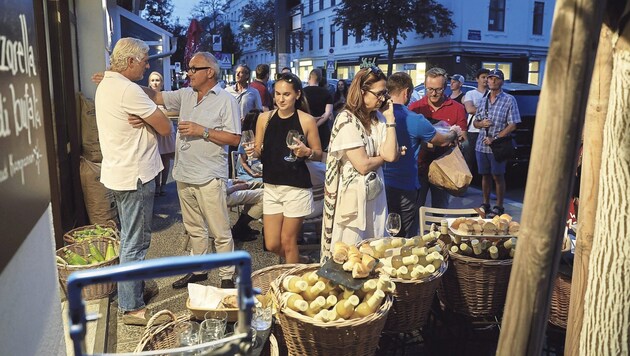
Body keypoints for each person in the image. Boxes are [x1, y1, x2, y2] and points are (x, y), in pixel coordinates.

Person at [143, 52, 242, 289]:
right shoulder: (186, 95)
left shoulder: (226, 100)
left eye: (193, 68)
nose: (189, 72)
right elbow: (156, 96)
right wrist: (121, 82)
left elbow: (235, 138)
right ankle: (199, 270)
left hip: (209, 175)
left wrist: (202, 130)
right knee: (194, 228)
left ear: (209, 71)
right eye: (189, 68)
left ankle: (227, 276)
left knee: (220, 230)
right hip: (184, 173)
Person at [94, 37, 172, 326]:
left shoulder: (107, 84)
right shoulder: (127, 89)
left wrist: (146, 117)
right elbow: (165, 128)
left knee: (129, 238)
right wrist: (152, 119)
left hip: (118, 172)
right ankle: (131, 306)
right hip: (135, 173)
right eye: (144, 60)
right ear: (129, 62)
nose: (147, 65)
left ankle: (133, 289)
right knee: (135, 243)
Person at [320, 66, 399, 261]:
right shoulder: (346, 119)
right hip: (353, 202)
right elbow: (363, 165)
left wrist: (390, 119)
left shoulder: (379, 118)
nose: (383, 99)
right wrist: (381, 157)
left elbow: (390, 154)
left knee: (375, 253)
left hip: (375, 196)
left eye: (385, 93)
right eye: (379, 93)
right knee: (350, 255)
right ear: (362, 92)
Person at [245, 72, 322, 263]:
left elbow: (319, 153)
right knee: (271, 244)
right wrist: (251, 152)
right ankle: (299, 263)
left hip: (296, 188)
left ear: (297, 94)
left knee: (288, 241)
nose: (280, 98)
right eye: (277, 93)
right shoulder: (264, 118)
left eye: (286, 94)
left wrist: (307, 152)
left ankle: (291, 285)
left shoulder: (306, 120)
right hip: (271, 187)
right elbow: (258, 151)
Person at [383, 72, 461, 237]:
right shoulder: (415, 118)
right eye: (429, 89)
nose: (433, 93)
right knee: (405, 235)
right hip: (405, 185)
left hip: (381, 183)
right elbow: (441, 139)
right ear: (407, 92)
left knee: (385, 231)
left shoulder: (377, 116)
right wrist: (453, 133)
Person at [409, 67, 467, 209]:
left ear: (446, 86)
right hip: (419, 167)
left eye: (438, 89)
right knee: (415, 210)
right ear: (424, 86)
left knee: (439, 212)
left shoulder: (457, 108)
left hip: (444, 168)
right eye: (430, 89)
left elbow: (463, 137)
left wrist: (455, 139)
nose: (434, 93)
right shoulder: (415, 108)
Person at [473, 69, 521, 218]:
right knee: (484, 175)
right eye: (490, 78)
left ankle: (499, 205)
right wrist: (481, 124)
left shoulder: (509, 99)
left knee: (498, 175)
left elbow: (513, 124)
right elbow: (475, 122)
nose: (492, 81)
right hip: (482, 145)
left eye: (496, 78)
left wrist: (496, 138)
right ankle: (485, 203)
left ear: (502, 81)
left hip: (498, 146)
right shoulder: (483, 99)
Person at [148, 71, 176, 197]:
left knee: (165, 159)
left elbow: (174, 111)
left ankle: (163, 184)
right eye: (152, 80)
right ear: (149, 83)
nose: (155, 82)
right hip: (154, 131)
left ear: (162, 83)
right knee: (154, 159)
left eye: (157, 80)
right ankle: (156, 185)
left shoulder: (167, 96)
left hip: (166, 131)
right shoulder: (146, 97)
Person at [462, 68, 490, 176]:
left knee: (485, 162)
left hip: (487, 131)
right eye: (483, 77)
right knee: (468, 159)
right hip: (473, 131)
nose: (486, 80)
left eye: (488, 77)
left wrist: (478, 109)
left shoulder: (491, 93)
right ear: (477, 79)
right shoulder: (471, 93)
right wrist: (488, 110)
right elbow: (469, 109)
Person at [303, 68, 333, 150]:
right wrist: (316, 125)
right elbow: (327, 113)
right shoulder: (326, 93)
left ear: (309, 77)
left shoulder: (303, 92)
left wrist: (311, 125)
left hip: (305, 127)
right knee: (321, 154)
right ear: (320, 79)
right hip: (322, 129)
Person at [236, 109, 263, 182]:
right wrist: (252, 173)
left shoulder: (264, 136)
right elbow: (243, 163)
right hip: (247, 173)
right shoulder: (246, 140)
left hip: (261, 170)